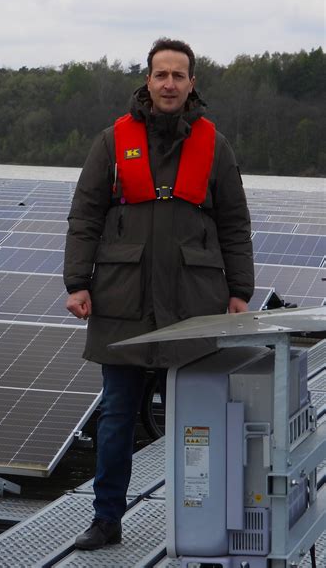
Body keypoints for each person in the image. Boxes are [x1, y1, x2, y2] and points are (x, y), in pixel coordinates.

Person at [63, 37, 254, 550]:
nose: (169, 83)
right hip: (122, 300)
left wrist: (240, 292)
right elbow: (84, 217)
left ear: (193, 83)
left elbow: (235, 223)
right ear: (147, 80)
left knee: (197, 421)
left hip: (194, 303)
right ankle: (106, 521)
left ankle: (201, 522)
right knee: (117, 419)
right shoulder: (111, 142)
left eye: (179, 75)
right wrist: (77, 282)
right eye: (160, 74)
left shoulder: (215, 145)